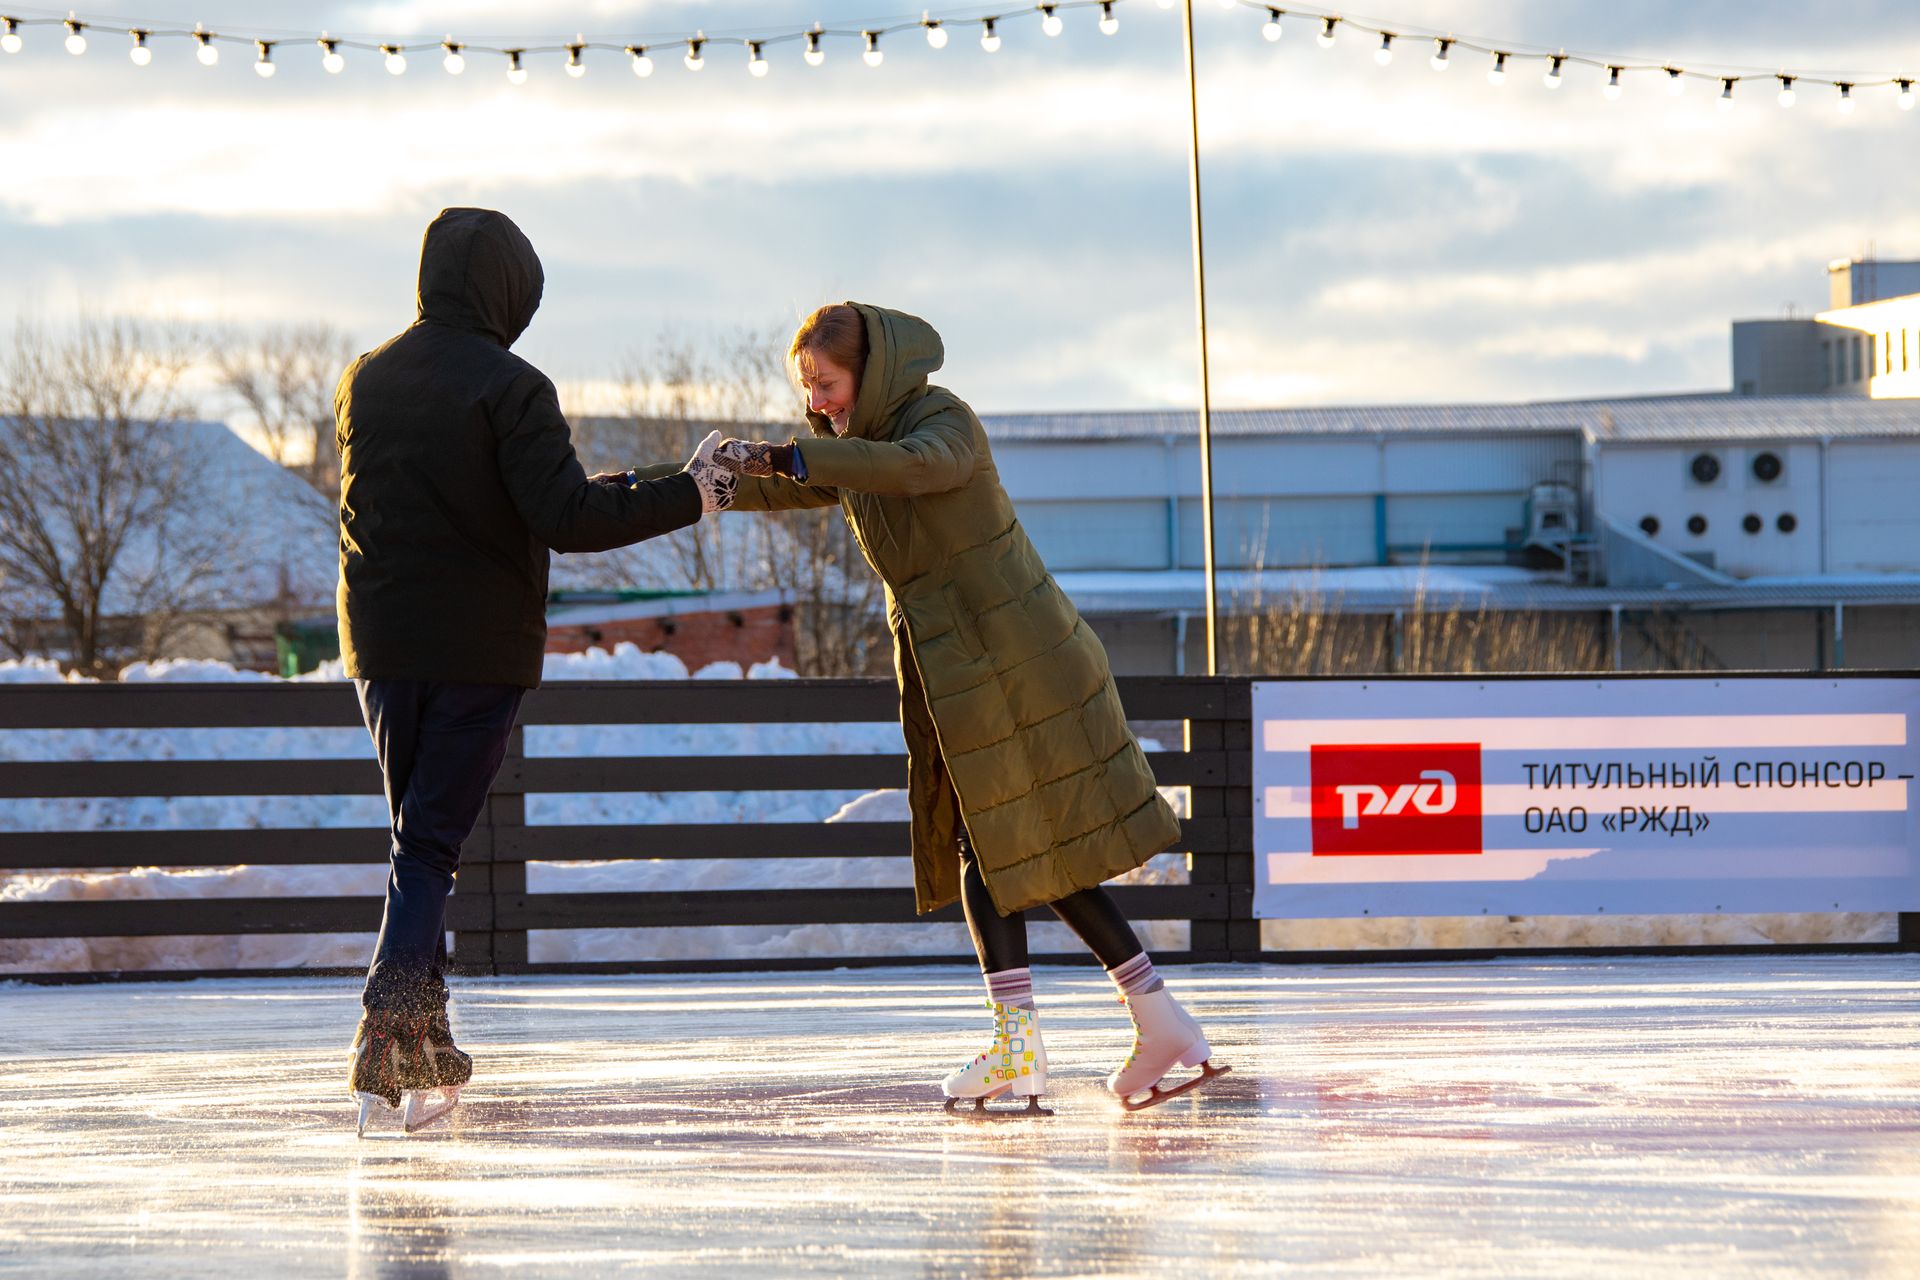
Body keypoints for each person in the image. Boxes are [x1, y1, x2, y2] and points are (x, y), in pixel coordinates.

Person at [708, 302, 1224, 1112]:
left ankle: (1038, 1046)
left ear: (869, 373)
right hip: (970, 665)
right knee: (1020, 847)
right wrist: (704, 486)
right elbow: (823, 480)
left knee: (1003, 844)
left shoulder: (942, 422)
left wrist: (796, 456)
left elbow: (915, 467)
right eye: (807, 388)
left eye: (828, 384)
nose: (818, 403)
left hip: (1019, 659)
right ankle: (1155, 1020)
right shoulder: (851, 452)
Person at [335, 207, 737, 1135]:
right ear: (508, 292)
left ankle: (423, 1049)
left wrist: (661, 484)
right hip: (476, 651)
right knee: (430, 848)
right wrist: (696, 495)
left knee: (417, 845)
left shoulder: (367, 377)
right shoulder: (513, 385)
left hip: (384, 646)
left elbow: (529, 496)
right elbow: (566, 519)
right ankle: (385, 1036)